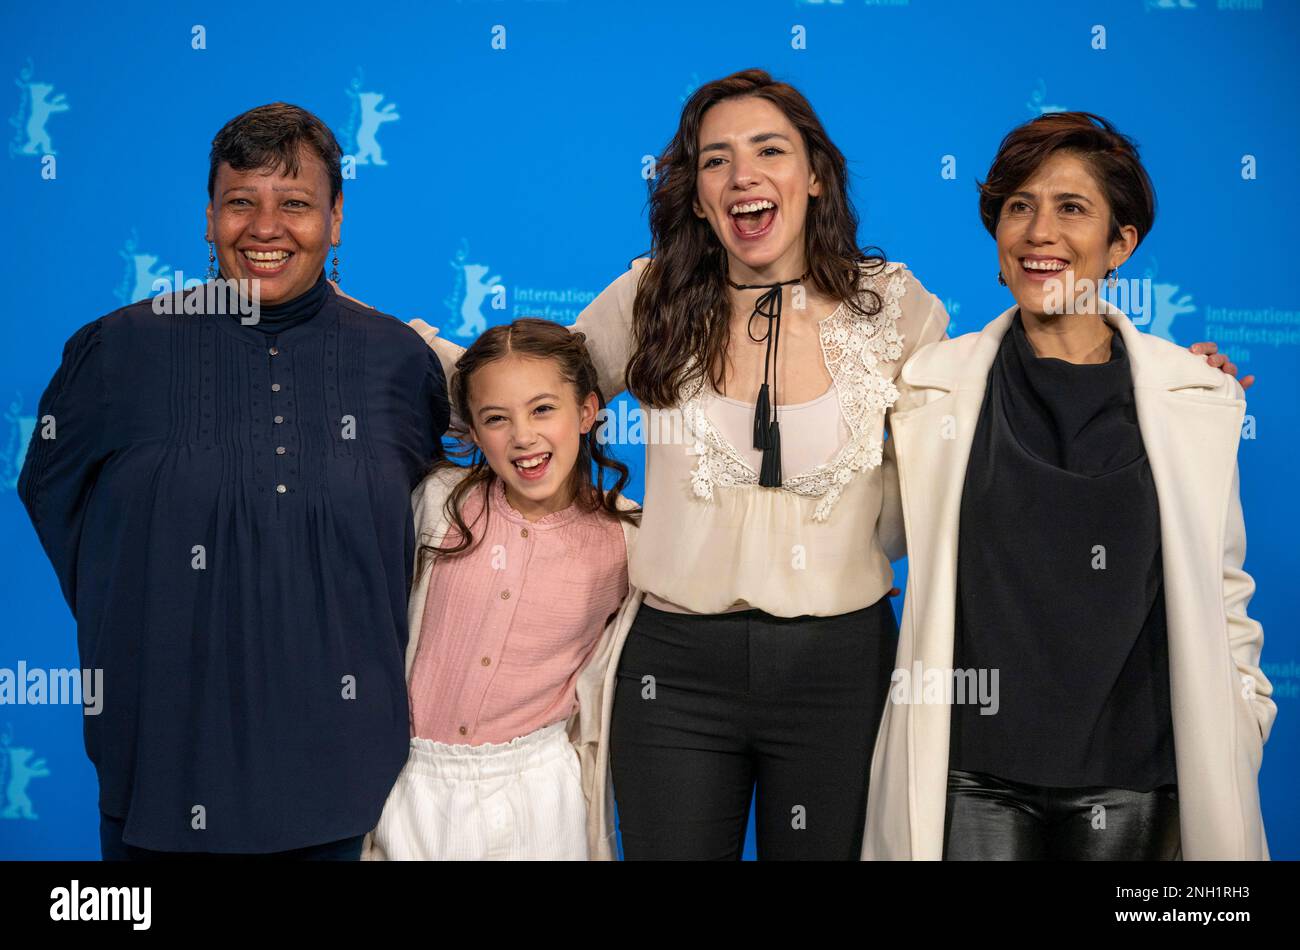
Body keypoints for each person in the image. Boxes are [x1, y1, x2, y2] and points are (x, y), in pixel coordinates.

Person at [18, 102, 450, 858]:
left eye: (296, 204)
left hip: (352, 772)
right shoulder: (120, 350)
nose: (265, 227)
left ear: (337, 218)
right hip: (164, 758)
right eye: (240, 202)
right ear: (209, 217)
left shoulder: (396, 363)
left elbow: (440, 511)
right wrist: (145, 615)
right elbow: (54, 496)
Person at [862, 112, 1274, 860]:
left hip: (1134, 777)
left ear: (1122, 243)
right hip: (970, 772)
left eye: (1071, 208)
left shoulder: (1193, 398)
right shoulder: (929, 387)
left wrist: (1244, 716)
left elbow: (1225, 588)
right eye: (1018, 206)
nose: (1038, 231)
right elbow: (864, 527)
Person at [363, 319, 641, 860]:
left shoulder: (626, 540)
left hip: (538, 792)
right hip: (413, 781)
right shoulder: (438, 502)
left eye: (543, 409)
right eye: (496, 419)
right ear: (471, 428)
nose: (523, 436)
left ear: (586, 412)